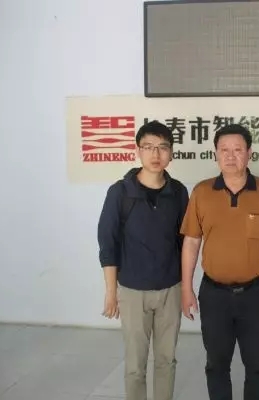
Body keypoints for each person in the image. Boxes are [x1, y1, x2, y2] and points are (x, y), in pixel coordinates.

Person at [179, 123, 259, 400]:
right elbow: (191, 242)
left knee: (257, 365)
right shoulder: (202, 192)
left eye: (238, 150)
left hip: (256, 292)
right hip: (214, 294)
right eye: (224, 150)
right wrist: (186, 288)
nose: (230, 156)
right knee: (216, 365)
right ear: (215, 154)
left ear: (249, 153)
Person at [97, 120, 189, 400]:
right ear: (137, 151)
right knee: (135, 365)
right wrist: (111, 292)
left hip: (170, 289)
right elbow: (108, 243)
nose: (155, 154)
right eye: (148, 147)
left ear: (171, 153)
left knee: (166, 360)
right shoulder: (120, 192)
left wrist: (185, 287)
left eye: (162, 147)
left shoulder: (178, 192)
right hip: (132, 291)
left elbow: (184, 243)